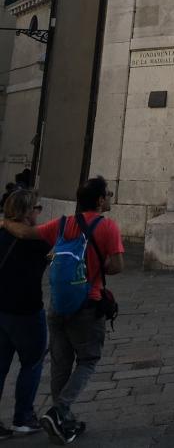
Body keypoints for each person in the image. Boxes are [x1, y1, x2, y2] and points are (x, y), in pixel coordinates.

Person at [2, 176, 124, 445]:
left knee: (60, 363)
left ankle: (62, 420)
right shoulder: (108, 227)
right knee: (89, 360)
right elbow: (117, 266)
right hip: (86, 303)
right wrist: (97, 265)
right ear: (100, 199)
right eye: (108, 194)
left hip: (57, 306)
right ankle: (59, 410)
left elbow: (25, 233)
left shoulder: (61, 224)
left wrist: (4, 221)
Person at [0, 190, 50, 438]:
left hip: (1, 307)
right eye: (37, 208)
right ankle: (23, 417)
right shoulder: (37, 241)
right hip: (26, 310)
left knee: (0, 365)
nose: (40, 213)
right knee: (32, 362)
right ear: (28, 212)